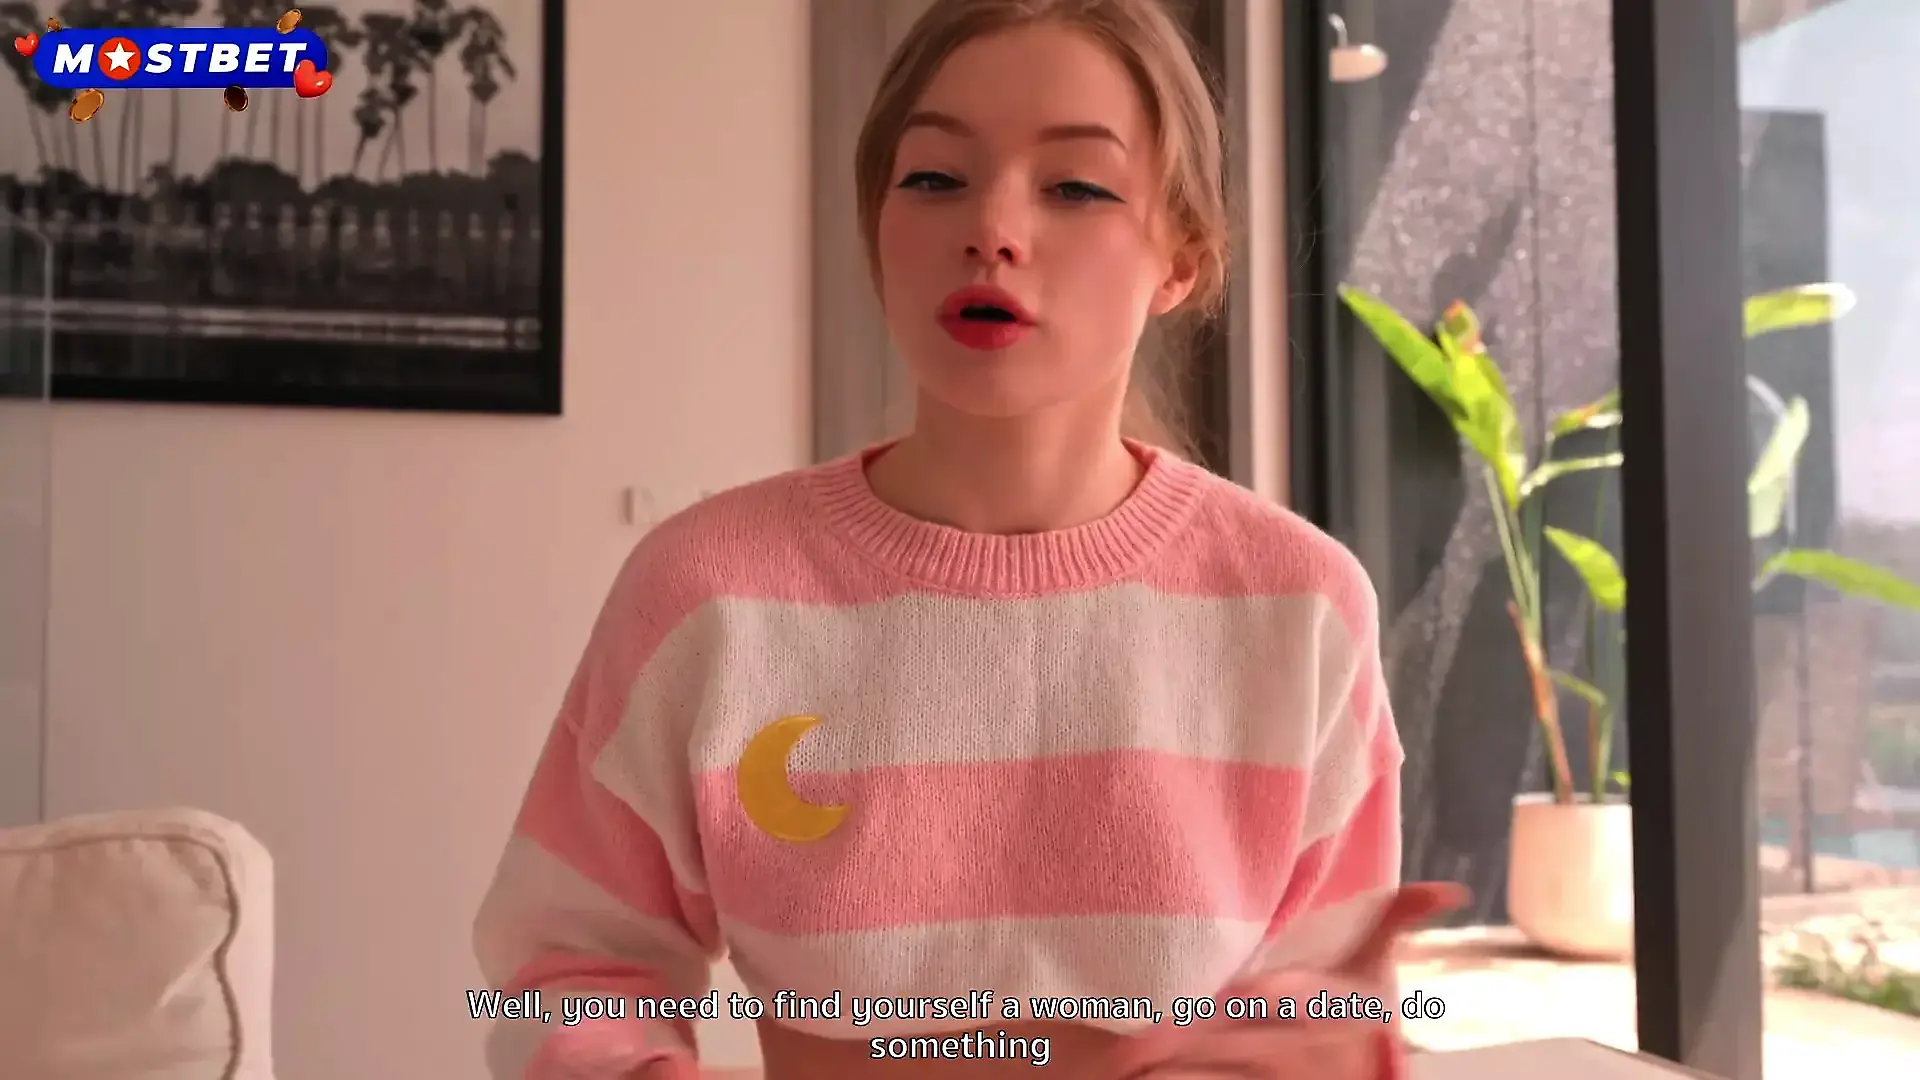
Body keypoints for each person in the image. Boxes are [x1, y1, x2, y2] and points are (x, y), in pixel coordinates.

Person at [472, 1, 1462, 1077]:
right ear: (875, 226)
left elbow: (1322, 1007)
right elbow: (565, 968)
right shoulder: (709, 595)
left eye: (1074, 187)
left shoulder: (1298, 609)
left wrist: (1329, 1037)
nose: (992, 229)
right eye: (936, 178)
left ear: (1182, 255)